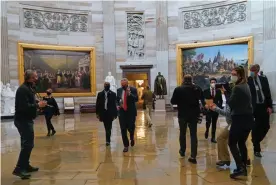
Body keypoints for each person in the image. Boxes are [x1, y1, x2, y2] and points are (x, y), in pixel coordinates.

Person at [13, 70, 47, 179]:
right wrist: (38, 105)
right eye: (34, 77)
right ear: (29, 78)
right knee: (27, 144)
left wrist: (37, 102)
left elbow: (29, 102)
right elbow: (23, 107)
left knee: (28, 144)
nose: (36, 79)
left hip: (26, 119)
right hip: (22, 120)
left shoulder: (28, 88)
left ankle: (25, 165)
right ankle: (19, 168)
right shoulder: (22, 90)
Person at [209, 83, 251, 167]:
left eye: (222, 88)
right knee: (239, 141)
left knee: (221, 138)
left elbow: (228, 114)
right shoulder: (234, 95)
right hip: (241, 121)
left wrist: (215, 108)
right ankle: (246, 159)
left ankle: (225, 159)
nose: (221, 90)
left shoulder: (230, 98)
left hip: (234, 123)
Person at [228, 66, 254, 178]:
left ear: (239, 75)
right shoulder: (246, 85)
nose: (232, 76)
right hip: (248, 119)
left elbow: (231, 103)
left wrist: (228, 92)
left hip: (239, 119)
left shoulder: (237, 87)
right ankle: (243, 165)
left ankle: (240, 167)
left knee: (232, 143)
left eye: (233, 74)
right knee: (241, 143)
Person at [171, 75, 201, 164]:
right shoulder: (197, 88)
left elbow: (173, 101)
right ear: (192, 80)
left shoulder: (178, 89)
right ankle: (193, 155)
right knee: (193, 135)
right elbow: (201, 99)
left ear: (183, 80)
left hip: (183, 114)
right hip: (194, 114)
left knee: (182, 133)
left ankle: (182, 151)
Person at [248, 64, 273, 158]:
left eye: (253, 70)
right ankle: (257, 149)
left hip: (263, 106)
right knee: (255, 127)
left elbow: (268, 93)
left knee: (266, 126)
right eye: (250, 70)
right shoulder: (247, 80)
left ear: (257, 70)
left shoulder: (263, 79)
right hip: (253, 107)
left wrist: (270, 106)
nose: (251, 71)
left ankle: (256, 140)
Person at [116, 78, 138, 152]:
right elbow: (117, 100)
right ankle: (126, 145)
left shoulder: (133, 89)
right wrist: (117, 105)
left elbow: (136, 99)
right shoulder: (119, 90)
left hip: (131, 112)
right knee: (123, 129)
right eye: (122, 84)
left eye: (124, 84)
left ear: (127, 83)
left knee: (131, 127)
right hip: (122, 112)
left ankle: (132, 137)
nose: (123, 86)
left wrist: (130, 94)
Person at [96, 82, 117, 146]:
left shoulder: (113, 94)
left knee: (109, 127)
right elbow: (97, 104)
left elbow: (114, 105)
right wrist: (97, 114)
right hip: (103, 113)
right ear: (104, 86)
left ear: (109, 86)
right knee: (106, 127)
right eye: (105, 85)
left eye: (107, 85)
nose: (106, 86)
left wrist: (115, 115)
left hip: (110, 113)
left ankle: (107, 140)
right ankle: (108, 139)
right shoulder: (100, 94)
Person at [202, 78, 223, 143]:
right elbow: (203, 100)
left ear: (216, 83)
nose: (213, 83)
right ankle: (207, 130)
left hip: (215, 109)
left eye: (214, 82)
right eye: (212, 82)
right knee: (208, 122)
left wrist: (219, 107)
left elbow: (221, 100)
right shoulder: (206, 91)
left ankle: (213, 138)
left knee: (214, 123)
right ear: (210, 83)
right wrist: (205, 105)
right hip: (208, 109)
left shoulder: (218, 91)